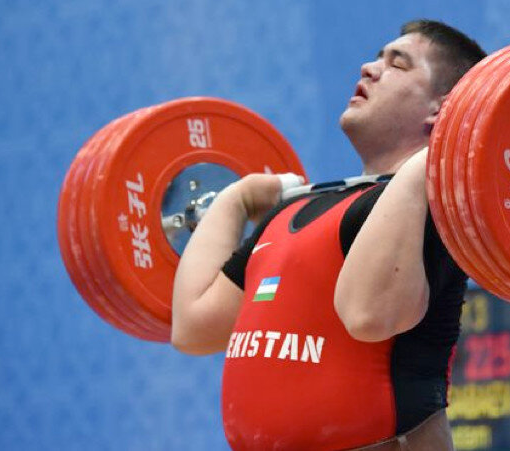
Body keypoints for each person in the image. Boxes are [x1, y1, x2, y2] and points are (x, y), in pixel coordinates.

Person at [171, 19, 486, 450]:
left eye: (398, 64)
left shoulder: (432, 206)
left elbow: (367, 316)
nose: (368, 68)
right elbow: (194, 328)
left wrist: (435, 159)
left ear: (441, 109)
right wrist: (235, 199)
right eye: (376, 57)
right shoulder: (294, 210)